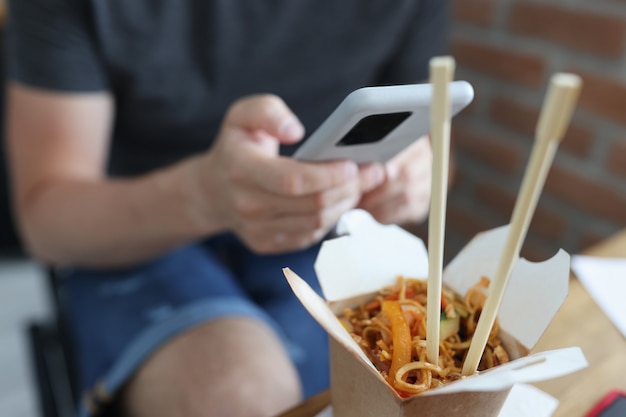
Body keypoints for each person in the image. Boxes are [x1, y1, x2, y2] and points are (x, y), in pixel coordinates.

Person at [5, 1, 449, 416]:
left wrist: (418, 177)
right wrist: (202, 196)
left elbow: (433, 150)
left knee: (417, 376)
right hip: (127, 232)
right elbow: (44, 220)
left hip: (321, 233)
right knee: (239, 390)